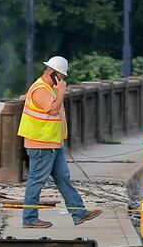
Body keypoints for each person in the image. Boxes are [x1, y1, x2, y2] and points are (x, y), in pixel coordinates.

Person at [18, 56, 101, 229]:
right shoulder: (42, 88)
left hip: (53, 144)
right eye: (61, 76)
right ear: (53, 73)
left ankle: (78, 213)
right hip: (41, 144)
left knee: (63, 178)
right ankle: (30, 218)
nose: (62, 79)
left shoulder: (48, 88)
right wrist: (62, 90)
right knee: (36, 181)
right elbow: (53, 109)